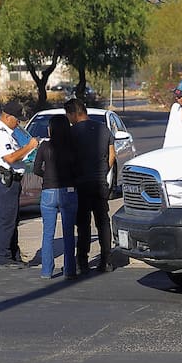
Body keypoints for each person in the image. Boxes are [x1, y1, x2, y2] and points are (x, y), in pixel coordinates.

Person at [64, 98, 115, 273]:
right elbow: (112, 155)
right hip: (100, 182)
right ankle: (106, 260)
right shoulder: (103, 129)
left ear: (74, 113)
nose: (68, 119)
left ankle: (83, 262)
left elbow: (68, 159)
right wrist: (103, 170)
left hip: (81, 183)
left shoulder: (72, 133)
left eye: (68, 115)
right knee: (103, 222)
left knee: (83, 224)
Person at [0, 101, 38, 268]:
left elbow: (16, 155)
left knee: (12, 219)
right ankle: (3, 258)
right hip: (3, 181)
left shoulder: (9, 132)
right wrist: (29, 147)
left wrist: (27, 150)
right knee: (5, 220)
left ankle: (13, 255)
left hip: (12, 180)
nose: (19, 123)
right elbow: (9, 158)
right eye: (17, 119)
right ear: (7, 116)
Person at [33, 114, 78, 280]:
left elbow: (36, 168)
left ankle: (46, 271)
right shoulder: (74, 146)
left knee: (47, 233)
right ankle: (69, 270)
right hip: (69, 190)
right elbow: (79, 169)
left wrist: (46, 176)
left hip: (49, 191)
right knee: (68, 232)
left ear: (51, 129)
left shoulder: (45, 146)